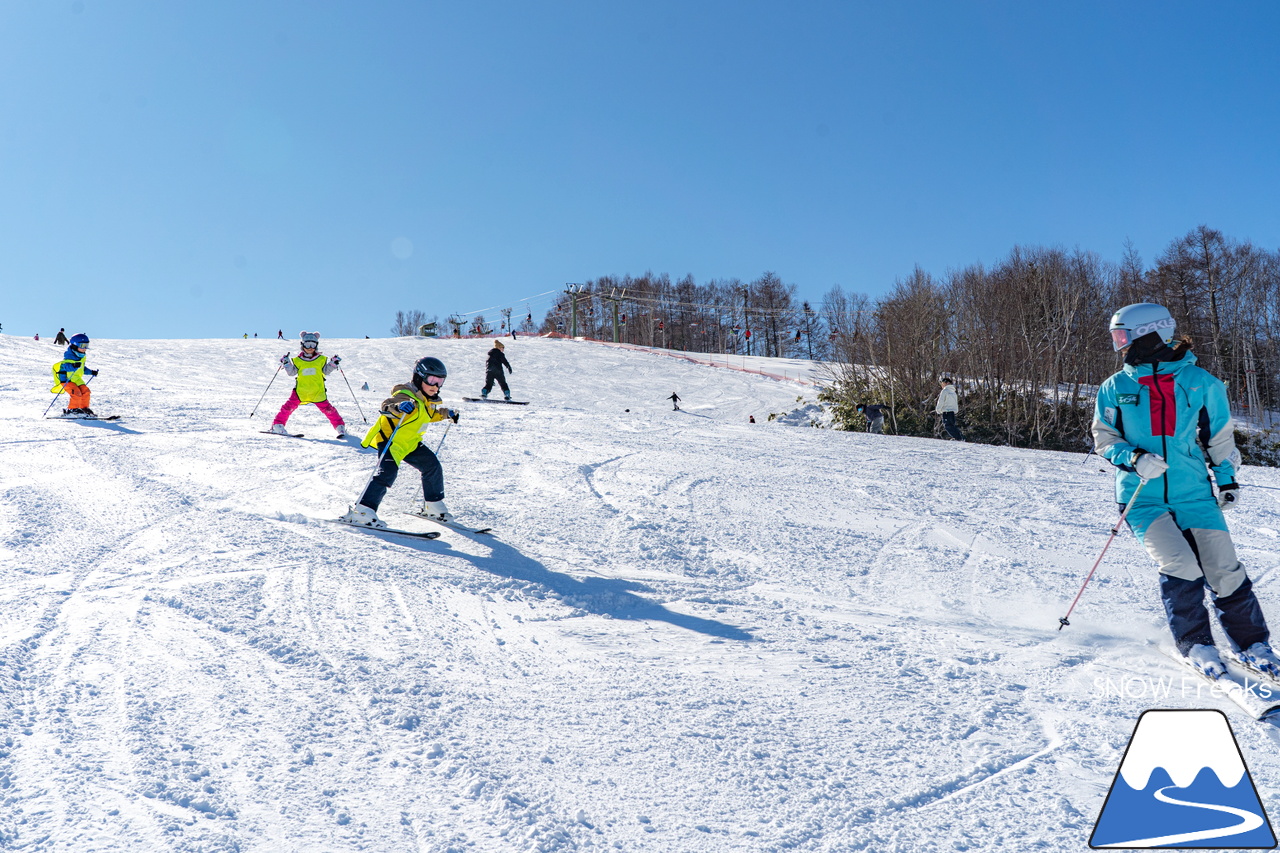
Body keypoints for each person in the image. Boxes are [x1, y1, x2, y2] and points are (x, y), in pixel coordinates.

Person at [1093, 302, 1280, 678]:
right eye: (1118, 337)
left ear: (1152, 332)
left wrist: (1226, 480)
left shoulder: (1200, 383)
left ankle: (1252, 644)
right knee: (1180, 566)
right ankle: (1196, 643)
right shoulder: (1116, 386)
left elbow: (1219, 437)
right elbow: (1104, 436)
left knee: (1224, 569)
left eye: (1124, 336)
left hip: (1193, 493)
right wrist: (1133, 457)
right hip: (1141, 497)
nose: (1121, 345)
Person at [341, 356, 459, 528]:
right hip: (391, 441)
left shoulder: (428, 400)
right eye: (432, 380)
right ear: (419, 377)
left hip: (411, 443)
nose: (436, 386)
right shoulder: (406, 395)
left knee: (432, 466)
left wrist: (446, 413)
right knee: (387, 473)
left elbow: (430, 415)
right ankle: (363, 511)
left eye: (440, 381)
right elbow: (388, 405)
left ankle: (433, 506)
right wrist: (399, 407)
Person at [269, 332, 347, 438]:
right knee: (287, 408)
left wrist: (333, 363)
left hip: (317, 391)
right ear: (302, 345)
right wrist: (287, 363)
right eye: (308, 345)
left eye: (313, 345)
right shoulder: (298, 361)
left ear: (316, 345)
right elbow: (291, 373)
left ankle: (340, 427)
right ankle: (277, 425)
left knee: (329, 410)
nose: (310, 348)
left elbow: (326, 371)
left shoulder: (321, 359)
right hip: (301, 391)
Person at [51, 333, 98, 416]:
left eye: (86, 345)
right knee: (76, 393)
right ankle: (72, 409)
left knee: (86, 391)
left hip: (76, 379)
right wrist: (73, 366)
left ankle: (84, 408)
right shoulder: (69, 356)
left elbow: (82, 368)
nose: (85, 348)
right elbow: (64, 366)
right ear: (75, 345)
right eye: (83, 345)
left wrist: (91, 372)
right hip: (67, 379)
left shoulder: (82, 356)